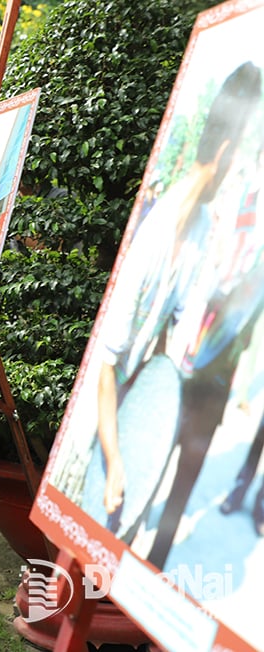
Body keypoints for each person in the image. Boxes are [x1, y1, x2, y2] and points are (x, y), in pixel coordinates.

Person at [91, 61, 262, 550]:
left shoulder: (204, 224)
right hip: (110, 419)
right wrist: (118, 462)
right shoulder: (160, 229)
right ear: (226, 152)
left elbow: (183, 328)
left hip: (143, 405)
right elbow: (107, 366)